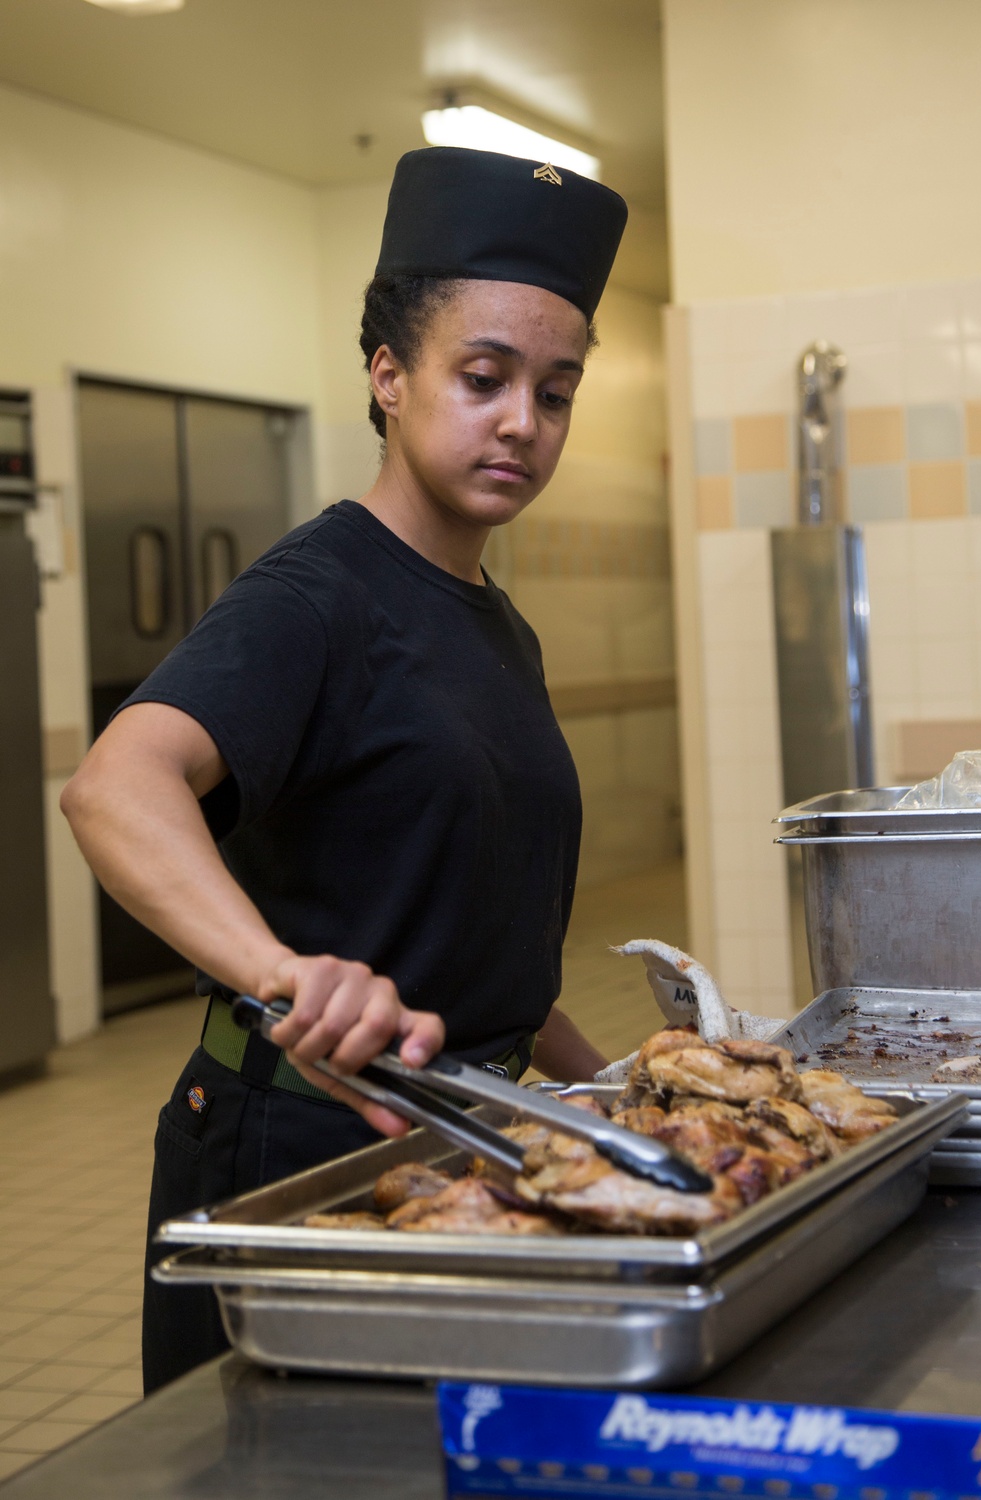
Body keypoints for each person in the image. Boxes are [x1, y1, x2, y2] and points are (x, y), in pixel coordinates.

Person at [61, 145, 629, 1394]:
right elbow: (114, 785)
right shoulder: (319, 594)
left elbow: (470, 930)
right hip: (300, 1146)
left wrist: (613, 1092)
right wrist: (282, 973)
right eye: (483, 378)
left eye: (556, 391)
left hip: (461, 1136)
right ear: (388, 374)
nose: (522, 423)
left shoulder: (495, 623)